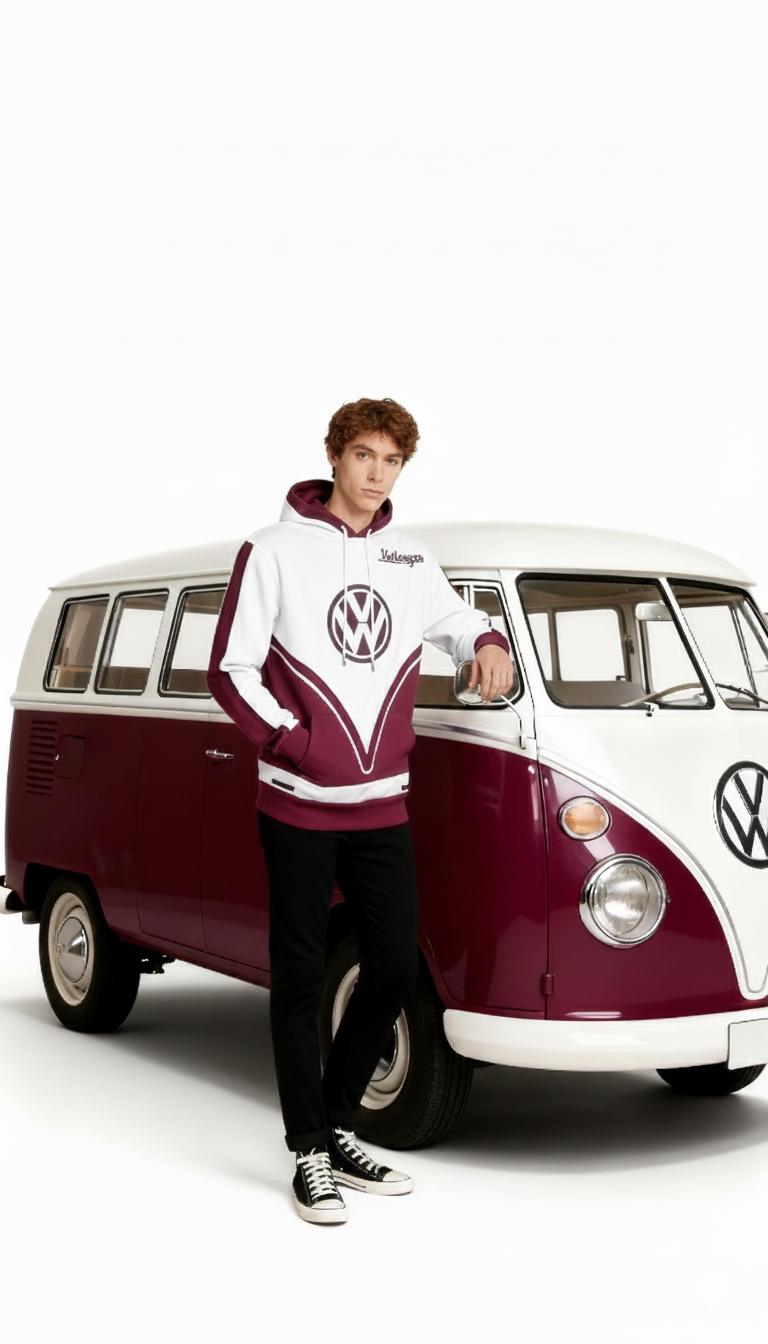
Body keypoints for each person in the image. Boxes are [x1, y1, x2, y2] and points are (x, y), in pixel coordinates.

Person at [207, 397, 515, 1224]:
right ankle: (308, 1148)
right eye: (365, 456)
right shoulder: (272, 551)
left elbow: (456, 621)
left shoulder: (410, 558)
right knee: (301, 978)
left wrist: (487, 641)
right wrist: (296, 744)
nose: (378, 475)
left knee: (391, 968)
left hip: (382, 808)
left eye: (393, 462)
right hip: (298, 806)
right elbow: (230, 669)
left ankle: (338, 1123)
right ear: (335, 456)